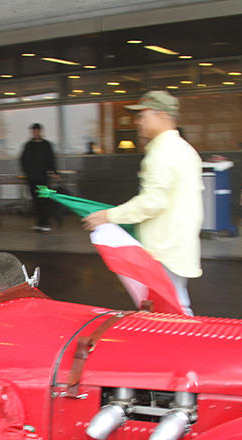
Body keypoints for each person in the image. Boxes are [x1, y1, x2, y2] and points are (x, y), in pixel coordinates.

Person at [82, 90, 203, 315]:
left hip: (163, 246)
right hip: (176, 243)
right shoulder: (184, 149)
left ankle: (185, 338)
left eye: (143, 115)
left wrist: (108, 216)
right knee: (171, 305)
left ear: (162, 116)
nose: (138, 122)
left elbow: (152, 202)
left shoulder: (163, 153)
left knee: (170, 309)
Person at [20, 123, 59, 232]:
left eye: (37, 131)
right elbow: (23, 160)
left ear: (40, 131)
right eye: (34, 131)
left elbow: (51, 159)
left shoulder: (46, 145)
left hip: (43, 178)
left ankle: (46, 223)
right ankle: (39, 223)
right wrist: (26, 172)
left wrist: (54, 172)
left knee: (44, 200)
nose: (35, 133)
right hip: (31, 178)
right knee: (35, 200)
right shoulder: (28, 145)